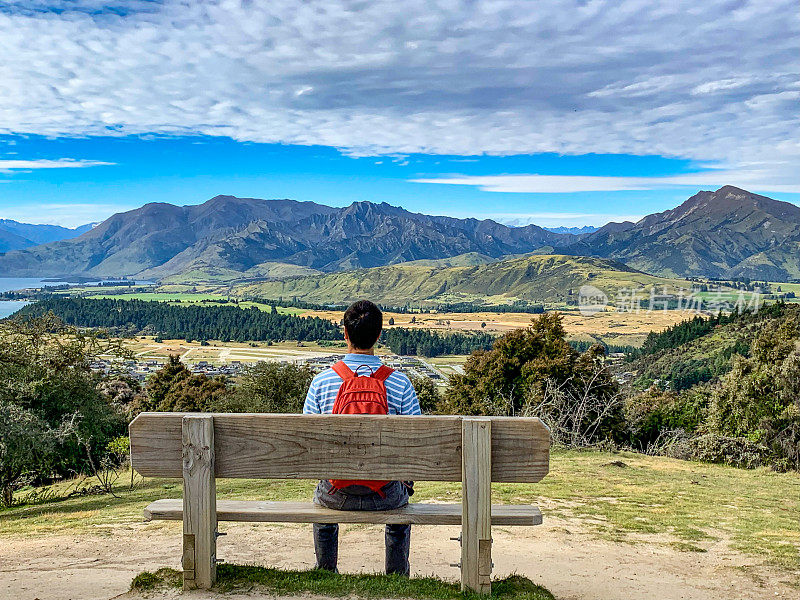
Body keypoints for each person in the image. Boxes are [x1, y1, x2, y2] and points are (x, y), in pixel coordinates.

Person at [303, 299, 420, 575]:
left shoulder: (321, 382)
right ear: (379, 336)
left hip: (335, 493)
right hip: (386, 495)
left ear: (345, 333)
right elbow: (417, 448)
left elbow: (309, 445)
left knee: (321, 498)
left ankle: (325, 570)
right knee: (401, 497)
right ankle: (397, 574)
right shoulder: (400, 383)